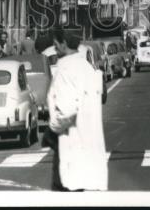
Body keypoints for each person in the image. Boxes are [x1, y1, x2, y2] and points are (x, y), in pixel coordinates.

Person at [47, 28, 108, 192]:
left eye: (56, 45)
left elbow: (67, 110)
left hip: (71, 142)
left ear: (64, 44)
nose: (55, 49)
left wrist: (53, 128)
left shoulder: (66, 69)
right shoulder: (88, 68)